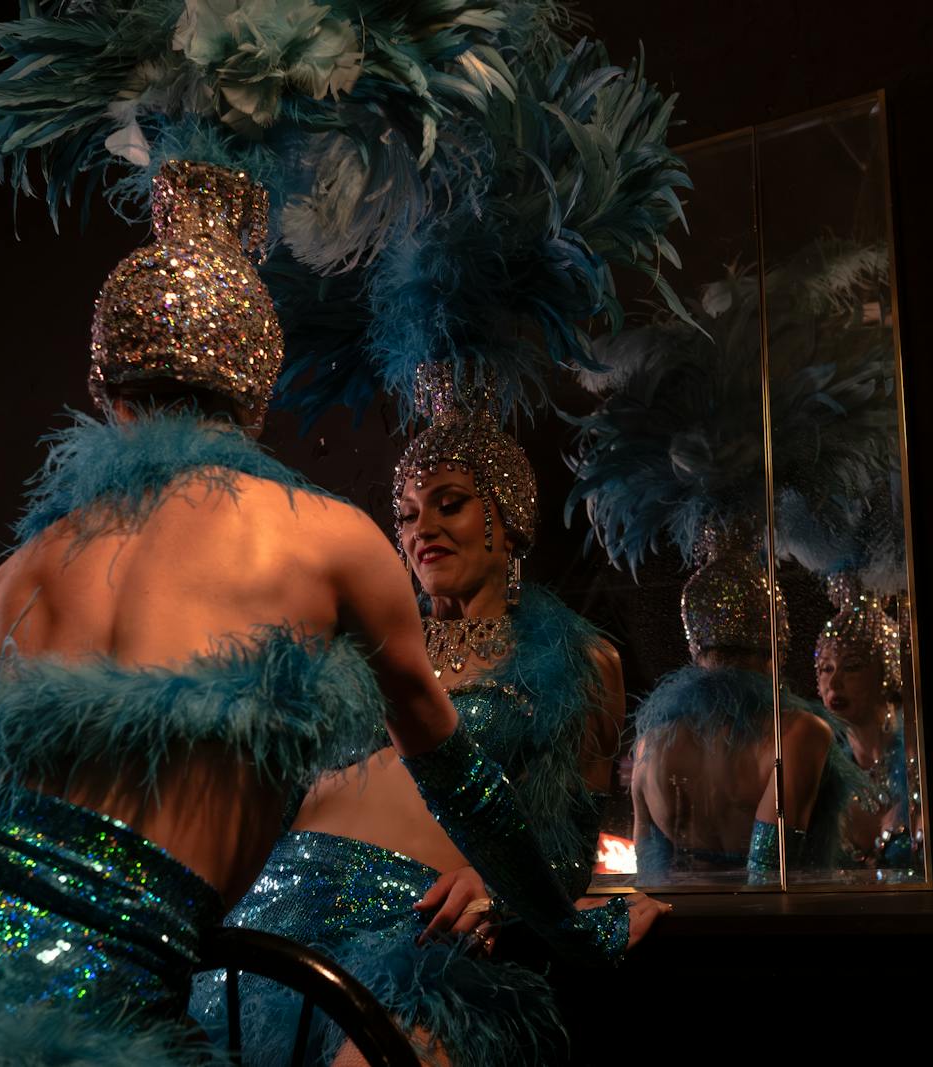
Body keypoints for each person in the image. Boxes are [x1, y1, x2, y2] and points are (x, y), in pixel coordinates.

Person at [0, 163, 626, 1065]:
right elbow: (462, 786)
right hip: (79, 1004)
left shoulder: (16, 575)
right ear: (255, 392)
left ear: (103, 391)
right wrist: (579, 923)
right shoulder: (328, 541)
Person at [192, 368, 666, 1065]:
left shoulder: (580, 661)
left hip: (412, 941)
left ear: (507, 519)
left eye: (450, 503)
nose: (424, 529)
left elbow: (567, 839)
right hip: (272, 921)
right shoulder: (361, 651)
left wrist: (499, 888)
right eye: (408, 514)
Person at [631, 523, 855, 884]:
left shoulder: (650, 743)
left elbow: (648, 873)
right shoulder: (797, 733)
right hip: (757, 930)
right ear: (776, 647)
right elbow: (768, 872)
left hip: (675, 930)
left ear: (695, 648)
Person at [814, 578, 918, 870]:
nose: (834, 683)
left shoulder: (918, 758)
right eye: (826, 669)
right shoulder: (823, 775)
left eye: (853, 666)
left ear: (887, 673)